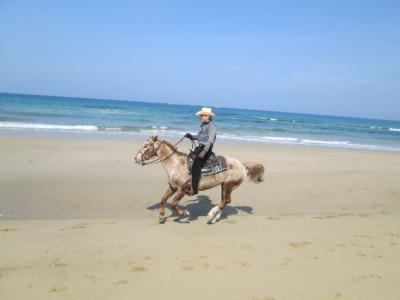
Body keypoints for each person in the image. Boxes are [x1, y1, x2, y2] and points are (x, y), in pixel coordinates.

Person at [184, 107, 217, 195]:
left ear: (208, 116)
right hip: (200, 147)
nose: (201, 117)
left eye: (202, 115)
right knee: (189, 159)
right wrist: (191, 137)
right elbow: (199, 137)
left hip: (206, 148)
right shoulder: (203, 125)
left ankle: (194, 189)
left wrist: (204, 151)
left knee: (196, 165)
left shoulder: (211, 127)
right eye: (201, 115)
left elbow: (210, 141)